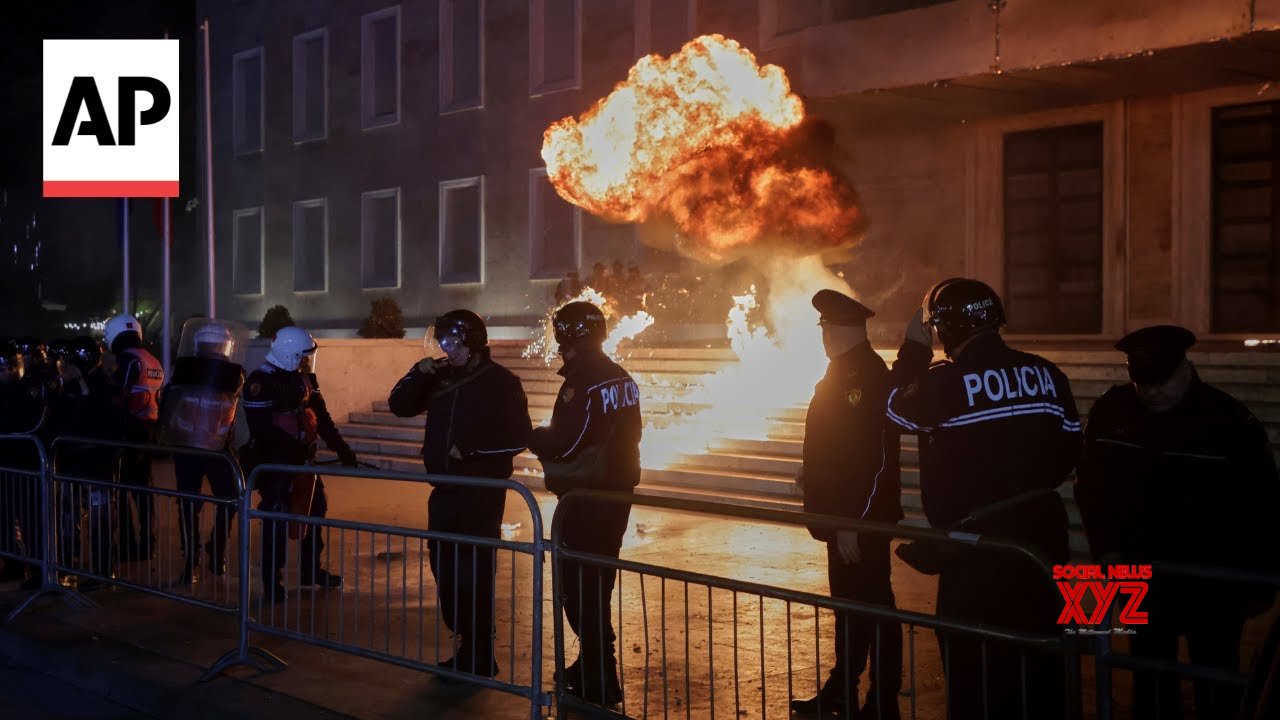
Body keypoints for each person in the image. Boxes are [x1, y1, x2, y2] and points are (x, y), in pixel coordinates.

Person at [885, 278, 1080, 720]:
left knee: (975, 671)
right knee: (1045, 657)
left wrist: (914, 352)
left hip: (974, 552)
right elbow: (1071, 448)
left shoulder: (943, 383)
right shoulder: (1047, 373)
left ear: (945, 330)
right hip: (1043, 543)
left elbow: (890, 407)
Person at [1075, 325, 1279, 719]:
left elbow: (1264, 502)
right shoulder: (1112, 410)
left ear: (1185, 367)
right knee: (1149, 682)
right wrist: (1106, 549)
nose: (1151, 392)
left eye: (1161, 381)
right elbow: (1092, 488)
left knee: (1215, 683)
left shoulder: (1230, 420)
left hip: (1214, 580)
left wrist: (1260, 581)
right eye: (1141, 382)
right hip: (1141, 574)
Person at [387, 310, 531, 678]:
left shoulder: (501, 382)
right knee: (446, 572)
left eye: (450, 342)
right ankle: (465, 641)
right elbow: (399, 405)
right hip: (445, 491)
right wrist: (417, 374)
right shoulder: (440, 376)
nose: (445, 349)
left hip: (480, 494)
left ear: (470, 342)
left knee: (474, 572)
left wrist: (472, 450)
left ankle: (481, 652)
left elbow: (518, 436)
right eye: (443, 342)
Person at [791, 290, 903, 719]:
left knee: (874, 608)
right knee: (850, 608)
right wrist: (812, 473)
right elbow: (834, 445)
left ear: (837, 330)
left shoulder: (863, 376)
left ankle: (883, 699)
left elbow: (869, 459)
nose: (823, 335)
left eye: (825, 328)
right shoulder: (843, 372)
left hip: (859, 520)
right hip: (844, 518)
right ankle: (843, 689)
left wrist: (852, 522)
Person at [528, 301, 641, 707]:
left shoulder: (585, 380)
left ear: (569, 335)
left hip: (588, 498)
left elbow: (568, 441)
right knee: (596, 584)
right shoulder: (620, 376)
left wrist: (534, 436)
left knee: (579, 588)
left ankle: (601, 676)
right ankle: (592, 664)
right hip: (615, 494)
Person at [242, 326, 355, 602]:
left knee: (315, 510)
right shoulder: (260, 382)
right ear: (289, 354)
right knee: (276, 515)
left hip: (303, 460)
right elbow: (261, 428)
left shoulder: (303, 380)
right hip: (275, 463)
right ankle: (272, 580)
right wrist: (292, 451)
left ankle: (310, 571)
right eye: (302, 356)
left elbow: (323, 417)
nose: (306, 361)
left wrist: (343, 449)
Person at [156, 319, 247, 585]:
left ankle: (200, 557)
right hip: (213, 448)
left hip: (198, 447)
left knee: (196, 502)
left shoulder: (190, 371)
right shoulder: (231, 374)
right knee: (222, 499)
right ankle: (203, 556)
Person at [51, 336, 119, 589]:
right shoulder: (67, 385)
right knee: (68, 519)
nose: (63, 368)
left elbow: (103, 421)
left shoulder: (104, 385)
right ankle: (67, 567)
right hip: (71, 461)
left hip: (96, 464)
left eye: (68, 364)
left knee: (100, 520)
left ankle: (101, 572)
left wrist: (82, 387)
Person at [105, 314, 164, 561]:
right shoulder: (153, 360)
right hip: (148, 429)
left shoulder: (129, 360)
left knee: (121, 488)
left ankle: (128, 545)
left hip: (129, 430)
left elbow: (118, 394)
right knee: (142, 490)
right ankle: (147, 544)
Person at [0, 339, 47, 587]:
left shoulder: (31, 384)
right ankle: (13, 562)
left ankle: (39, 571)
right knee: (5, 516)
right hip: (5, 463)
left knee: (31, 519)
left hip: (27, 461)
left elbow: (32, 421)